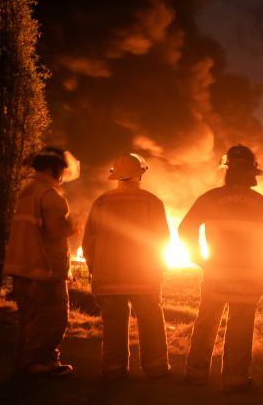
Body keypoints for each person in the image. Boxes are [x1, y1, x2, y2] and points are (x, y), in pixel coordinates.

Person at [179, 144, 263, 393]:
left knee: (206, 322)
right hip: (249, 276)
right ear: (251, 174)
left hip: (216, 273)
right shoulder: (260, 203)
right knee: (240, 327)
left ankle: (196, 375)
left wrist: (198, 257)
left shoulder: (210, 198)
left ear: (227, 171)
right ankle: (236, 380)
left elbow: (185, 229)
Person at [82, 153, 170, 379]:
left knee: (113, 324)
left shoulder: (101, 202)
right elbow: (162, 239)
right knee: (150, 321)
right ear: (140, 173)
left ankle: (114, 369)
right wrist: (160, 267)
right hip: (144, 275)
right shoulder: (152, 202)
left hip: (109, 276)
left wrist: (94, 268)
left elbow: (89, 240)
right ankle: (156, 368)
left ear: (115, 176)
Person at [4, 146, 78, 377]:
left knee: (29, 320)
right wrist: (75, 224)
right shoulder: (51, 196)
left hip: (22, 269)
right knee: (52, 319)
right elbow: (56, 231)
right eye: (61, 170)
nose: (62, 175)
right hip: (45, 270)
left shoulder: (27, 191)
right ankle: (43, 363)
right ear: (53, 169)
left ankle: (25, 362)